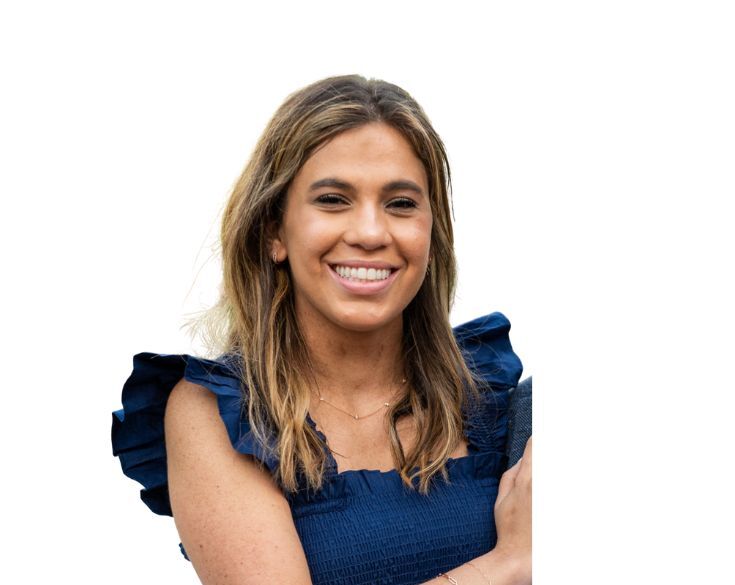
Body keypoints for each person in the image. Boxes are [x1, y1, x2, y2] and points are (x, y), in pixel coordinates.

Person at [112, 75, 532, 585]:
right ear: (274, 232)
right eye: (333, 200)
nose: (371, 233)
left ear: (431, 232)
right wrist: (510, 565)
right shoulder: (219, 414)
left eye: (401, 203)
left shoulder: (497, 398)